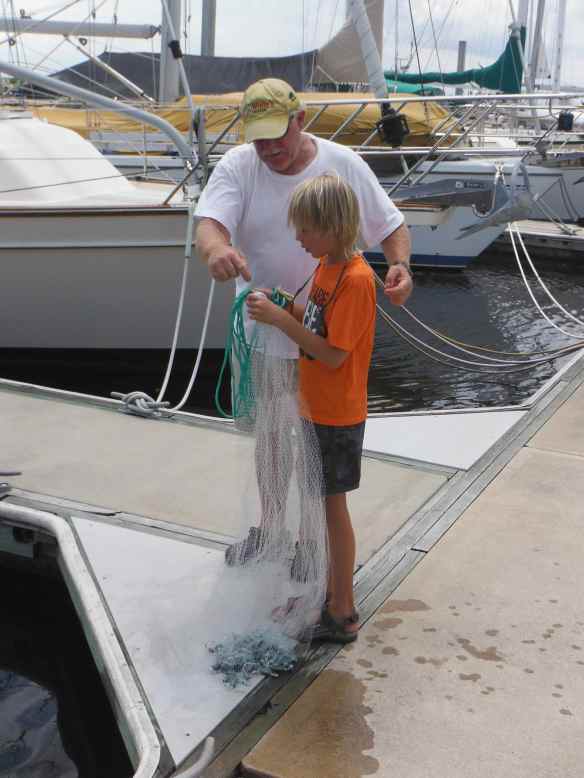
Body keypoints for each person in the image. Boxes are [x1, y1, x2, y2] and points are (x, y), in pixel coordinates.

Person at [195, 77, 412, 568]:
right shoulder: (238, 166)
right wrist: (217, 252)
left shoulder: (344, 165)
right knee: (270, 439)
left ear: (300, 120)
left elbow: (391, 226)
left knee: (317, 449)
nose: (269, 147)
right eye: (258, 136)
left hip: (323, 339)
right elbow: (210, 224)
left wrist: (400, 266)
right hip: (263, 333)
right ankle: (271, 529)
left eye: (278, 133)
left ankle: (311, 545)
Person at [246, 173, 375, 643]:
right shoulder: (325, 267)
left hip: (338, 415)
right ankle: (326, 594)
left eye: (304, 228)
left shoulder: (358, 280)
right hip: (313, 406)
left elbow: (334, 353)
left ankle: (343, 610)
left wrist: (281, 320)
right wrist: (290, 308)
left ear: (332, 226)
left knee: (330, 508)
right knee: (318, 507)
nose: (298, 237)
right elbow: (318, 325)